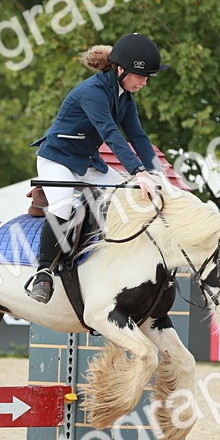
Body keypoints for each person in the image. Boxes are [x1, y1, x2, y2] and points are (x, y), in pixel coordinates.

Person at [25, 32, 167, 303]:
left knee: (127, 194)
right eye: (141, 76)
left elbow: (138, 136)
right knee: (63, 208)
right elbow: (111, 134)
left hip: (87, 161)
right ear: (121, 69)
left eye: (148, 77)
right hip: (57, 159)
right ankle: (43, 273)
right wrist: (138, 172)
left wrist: (155, 173)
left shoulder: (124, 96)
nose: (145, 82)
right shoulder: (93, 92)